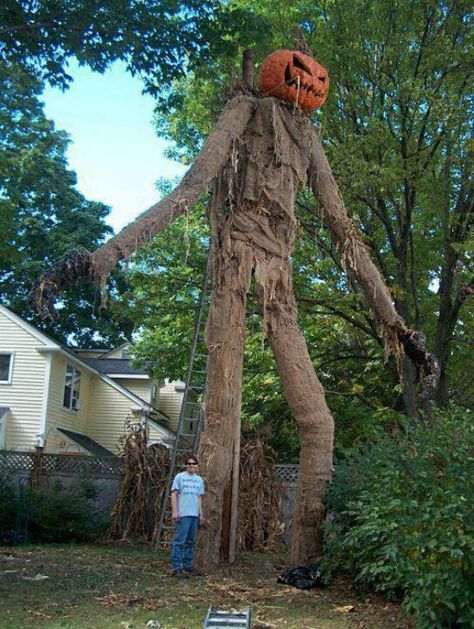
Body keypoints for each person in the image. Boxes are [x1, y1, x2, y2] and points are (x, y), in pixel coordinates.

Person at [170, 455, 205, 577]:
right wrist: (175, 511)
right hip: (183, 514)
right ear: (186, 465)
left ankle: (187, 566)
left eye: (194, 463)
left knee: (190, 541)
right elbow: (174, 494)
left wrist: (200, 513)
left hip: (194, 515)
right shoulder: (179, 477)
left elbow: (199, 497)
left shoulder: (199, 480)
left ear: (197, 466)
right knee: (179, 541)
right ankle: (176, 567)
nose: (191, 465)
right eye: (189, 463)